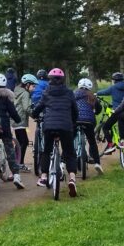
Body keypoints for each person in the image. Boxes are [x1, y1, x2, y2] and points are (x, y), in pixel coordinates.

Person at [31, 68, 79, 197]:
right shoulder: (69, 92)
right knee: (70, 153)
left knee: (46, 151)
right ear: (63, 79)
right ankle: (72, 178)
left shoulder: (46, 92)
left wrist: (34, 114)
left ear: (50, 79)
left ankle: (44, 176)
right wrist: (73, 121)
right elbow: (75, 110)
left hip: (49, 126)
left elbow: (39, 107)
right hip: (66, 126)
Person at [0, 73, 26, 188]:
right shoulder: (7, 97)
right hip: (3, 126)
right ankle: (16, 176)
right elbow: (13, 112)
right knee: (9, 149)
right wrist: (18, 120)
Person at [75, 78, 104, 174]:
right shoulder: (92, 96)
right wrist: (94, 112)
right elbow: (99, 109)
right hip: (89, 121)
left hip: (75, 119)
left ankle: (62, 162)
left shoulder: (73, 94)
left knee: (70, 140)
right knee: (92, 141)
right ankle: (97, 163)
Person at [97, 72, 124, 154]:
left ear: (114, 80)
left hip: (118, 110)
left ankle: (110, 145)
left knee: (106, 127)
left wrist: (96, 93)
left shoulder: (113, 87)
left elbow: (104, 92)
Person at [12, 73, 37, 170]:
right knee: (24, 142)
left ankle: (17, 162)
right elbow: (26, 108)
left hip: (16, 119)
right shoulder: (25, 93)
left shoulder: (18, 91)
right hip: (20, 120)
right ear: (27, 84)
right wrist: (35, 115)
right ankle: (20, 163)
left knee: (20, 142)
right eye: (33, 86)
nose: (34, 88)